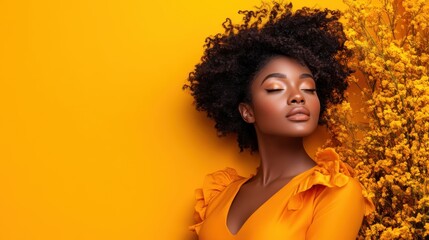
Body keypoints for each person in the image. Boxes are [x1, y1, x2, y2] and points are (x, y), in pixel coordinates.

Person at [184, 2, 374, 239]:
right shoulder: (219, 195)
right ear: (247, 112)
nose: (297, 97)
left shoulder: (333, 190)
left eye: (308, 88)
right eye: (275, 88)